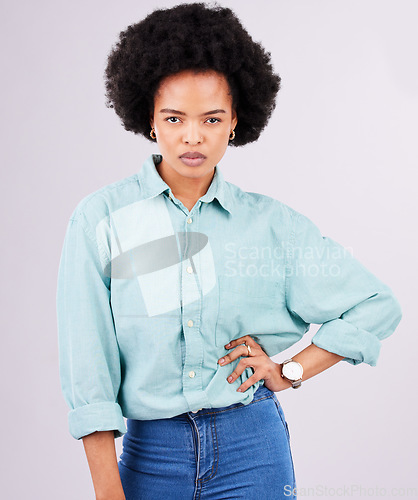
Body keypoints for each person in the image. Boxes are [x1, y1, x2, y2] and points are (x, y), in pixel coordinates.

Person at [56, 3, 403, 499]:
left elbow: (376, 305)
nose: (192, 136)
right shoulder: (100, 220)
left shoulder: (272, 225)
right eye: (174, 118)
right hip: (151, 457)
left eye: (211, 119)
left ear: (235, 121)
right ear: (150, 120)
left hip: (253, 451)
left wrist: (290, 370)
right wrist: (108, 491)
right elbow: (89, 369)